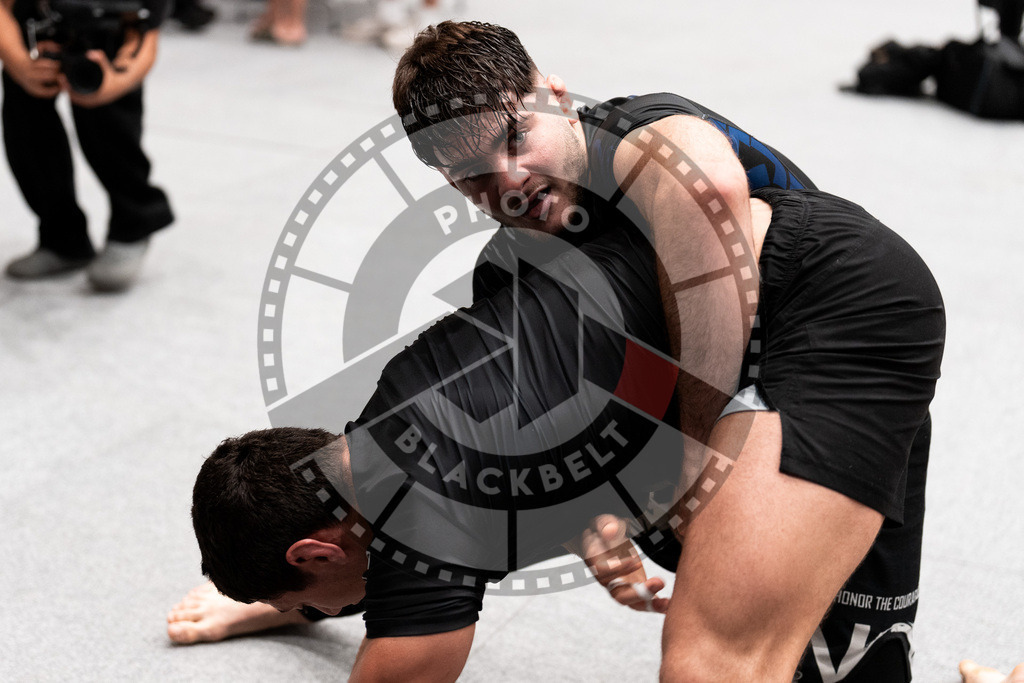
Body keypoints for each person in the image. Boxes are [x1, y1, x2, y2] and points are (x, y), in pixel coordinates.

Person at [173, 19, 950, 683]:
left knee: (745, 646)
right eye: (474, 182)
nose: (508, 185)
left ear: (554, 90)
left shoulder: (653, 141)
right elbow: (532, 429)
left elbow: (716, 224)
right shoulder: (511, 264)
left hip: (821, 321)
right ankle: (302, 598)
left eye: (516, 139)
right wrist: (594, 521)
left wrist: (691, 474)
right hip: (782, 360)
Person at [0, 0, 174, 290]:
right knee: (27, 133)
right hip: (33, 33)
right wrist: (19, 63)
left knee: (112, 131)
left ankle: (133, 224)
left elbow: (145, 39)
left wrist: (116, 82)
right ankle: (62, 238)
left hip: (109, 33)